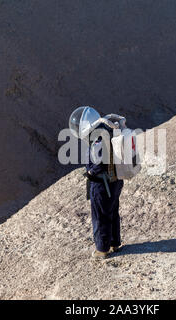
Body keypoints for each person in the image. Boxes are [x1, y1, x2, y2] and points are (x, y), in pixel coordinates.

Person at [69, 106, 124, 260]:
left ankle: (102, 249)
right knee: (112, 212)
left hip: (102, 185)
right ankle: (115, 243)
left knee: (100, 216)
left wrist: (90, 170)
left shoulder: (98, 138)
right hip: (115, 180)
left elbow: (98, 164)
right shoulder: (108, 129)